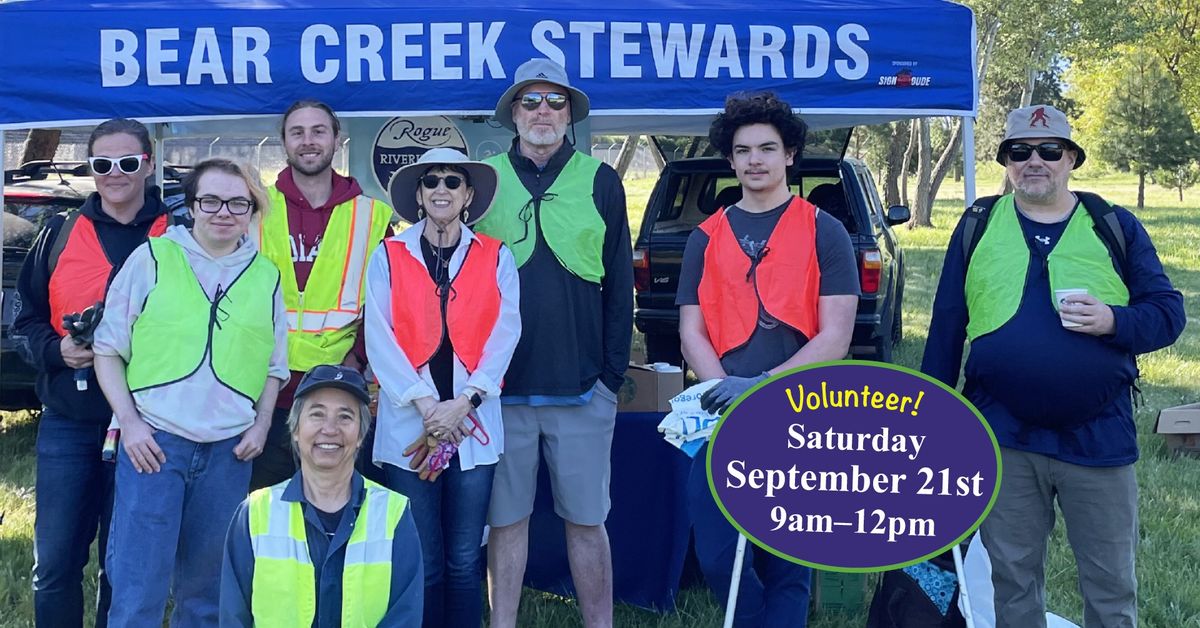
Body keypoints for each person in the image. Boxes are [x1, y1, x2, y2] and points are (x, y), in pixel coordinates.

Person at [922, 104, 1185, 628]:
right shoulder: (976, 224)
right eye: (1020, 152)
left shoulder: (1115, 225)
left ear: (1070, 159)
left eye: (1049, 151)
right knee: (1013, 581)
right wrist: (931, 416)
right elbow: (947, 323)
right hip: (1003, 435)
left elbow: (1168, 313)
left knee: (1110, 585)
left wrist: (1114, 320)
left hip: (1099, 436)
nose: (1034, 161)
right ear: (1007, 162)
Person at [677, 91, 860, 627]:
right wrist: (722, 391)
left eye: (767, 148)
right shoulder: (704, 237)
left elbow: (836, 337)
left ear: (789, 155)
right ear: (730, 160)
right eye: (743, 150)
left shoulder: (824, 230)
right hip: (718, 413)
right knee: (717, 553)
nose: (755, 160)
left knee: (789, 557)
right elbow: (691, 331)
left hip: (801, 409)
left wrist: (758, 388)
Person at [92, 157, 288, 625]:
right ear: (192, 206)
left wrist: (261, 427)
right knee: (139, 589)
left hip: (229, 452)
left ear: (253, 209)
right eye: (212, 200)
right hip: (155, 445)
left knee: (206, 596)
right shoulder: (153, 257)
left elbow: (275, 366)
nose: (224, 212)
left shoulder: (267, 276)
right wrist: (132, 425)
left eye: (238, 202)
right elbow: (106, 350)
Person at [473, 58, 632, 628]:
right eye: (531, 100)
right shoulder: (482, 179)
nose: (543, 111)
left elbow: (620, 284)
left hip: (583, 387)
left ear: (569, 115)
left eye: (555, 101)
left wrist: (611, 379)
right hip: (500, 390)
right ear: (513, 113)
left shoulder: (601, 179)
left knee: (588, 521)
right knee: (507, 521)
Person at [11, 118, 173, 627]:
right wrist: (60, 351)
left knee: (122, 566)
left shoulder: (180, 236)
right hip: (70, 420)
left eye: (127, 163)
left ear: (147, 165)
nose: (115, 174)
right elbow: (24, 320)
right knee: (55, 563)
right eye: (103, 164)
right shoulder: (59, 233)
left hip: (146, 425)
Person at [365, 147, 520, 627]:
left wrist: (465, 402)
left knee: (462, 560)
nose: (442, 189)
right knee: (424, 559)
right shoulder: (389, 255)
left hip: (471, 424)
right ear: (418, 193)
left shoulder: (496, 255)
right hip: (411, 425)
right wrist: (429, 405)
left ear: (468, 194)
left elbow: (506, 333)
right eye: (432, 180)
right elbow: (379, 335)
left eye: (454, 181)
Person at [252, 99, 394, 490]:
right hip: (265, 391)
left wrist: (354, 362)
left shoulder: (372, 215)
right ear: (283, 142)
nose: (308, 141)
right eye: (297, 132)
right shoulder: (255, 208)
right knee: (266, 516)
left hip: (338, 393)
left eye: (318, 131)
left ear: (337, 139)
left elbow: (387, 303)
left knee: (336, 513)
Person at [220, 364, 424, 627]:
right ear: (295, 429)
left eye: (345, 417)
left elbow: (404, 617)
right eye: (317, 414)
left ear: (361, 434)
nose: (330, 429)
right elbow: (233, 617)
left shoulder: (394, 514)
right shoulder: (255, 513)